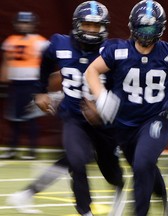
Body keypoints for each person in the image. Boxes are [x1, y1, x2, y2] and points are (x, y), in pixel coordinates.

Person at [7, 2, 124, 216]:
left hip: (104, 122)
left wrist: (106, 108)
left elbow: (122, 86)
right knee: (77, 160)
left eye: (95, 26)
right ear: (77, 24)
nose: (90, 30)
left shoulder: (113, 50)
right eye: (87, 24)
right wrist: (40, 90)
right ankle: (85, 211)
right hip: (74, 117)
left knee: (111, 173)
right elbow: (44, 65)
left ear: (104, 27)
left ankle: (119, 188)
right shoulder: (59, 43)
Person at [85, 1, 168, 215]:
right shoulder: (118, 50)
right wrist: (101, 98)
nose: (146, 33)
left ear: (161, 29)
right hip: (124, 123)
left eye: (151, 28)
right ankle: (165, 197)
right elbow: (91, 71)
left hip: (155, 119)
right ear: (132, 26)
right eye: (142, 27)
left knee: (142, 163)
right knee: (142, 166)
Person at [0, 11, 49, 159]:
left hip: (32, 83)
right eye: (21, 22)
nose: (24, 25)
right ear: (16, 23)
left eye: (27, 22)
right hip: (15, 84)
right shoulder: (10, 40)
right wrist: (4, 77)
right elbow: (6, 61)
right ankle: (12, 148)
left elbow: (48, 63)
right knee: (13, 118)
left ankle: (32, 150)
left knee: (31, 117)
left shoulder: (41, 42)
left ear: (33, 24)